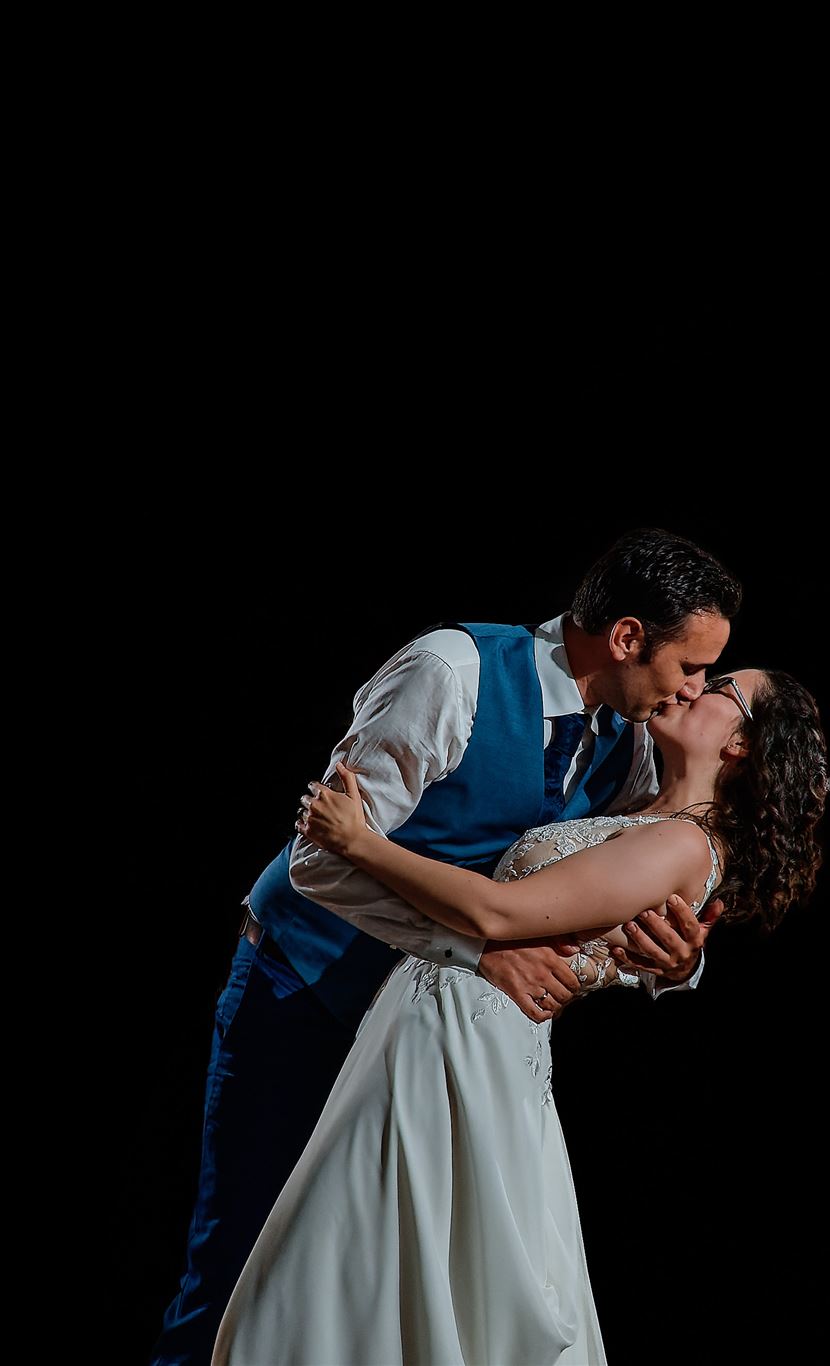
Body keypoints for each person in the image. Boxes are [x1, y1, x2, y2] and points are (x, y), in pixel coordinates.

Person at [152, 528, 744, 1366]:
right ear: (625, 638)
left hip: (429, 1046)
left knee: (380, 1293)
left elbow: (640, 869)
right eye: (689, 666)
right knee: (241, 1268)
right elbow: (320, 857)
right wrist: (475, 950)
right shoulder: (453, 672)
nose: (694, 689)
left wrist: (679, 965)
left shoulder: (634, 738)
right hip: (306, 988)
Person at [213, 667, 830, 1365]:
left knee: (336, 1273)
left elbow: (499, 912)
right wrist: (668, 965)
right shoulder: (643, 798)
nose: (690, 688)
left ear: (745, 743)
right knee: (362, 1269)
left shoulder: (686, 842)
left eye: (716, 687)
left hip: (463, 1036)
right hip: (435, 1019)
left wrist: (361, 843)